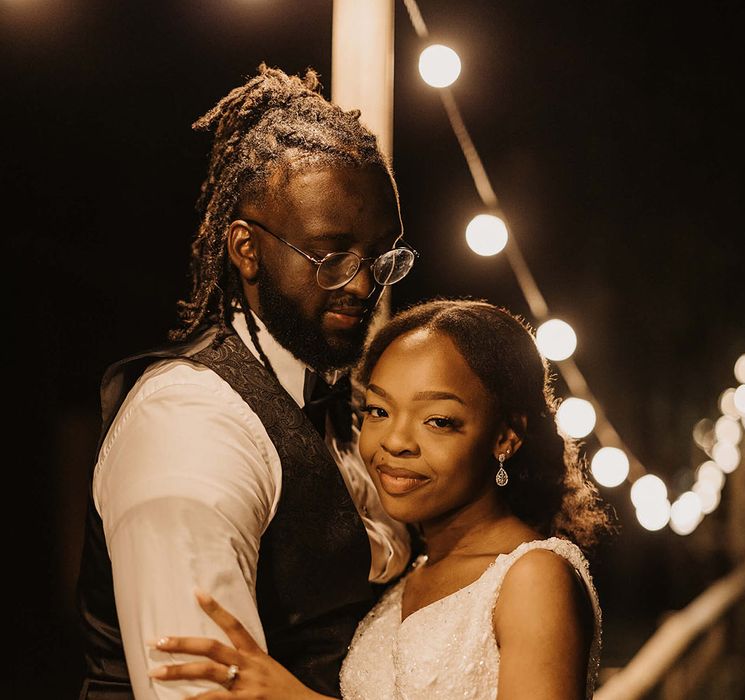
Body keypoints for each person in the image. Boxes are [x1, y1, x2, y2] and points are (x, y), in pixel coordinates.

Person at [76, 64, 418, 700]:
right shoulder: (188, 425)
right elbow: (197, 691)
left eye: (380, 257)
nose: (366, 284)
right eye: (331, 256)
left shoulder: (344, 400)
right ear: (245, 248)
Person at [146, 298, 614, 699]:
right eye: (378, 410)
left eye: (438, 421)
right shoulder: (400, 582)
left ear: (505, 437)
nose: (394, 441)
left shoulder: (533, 577)